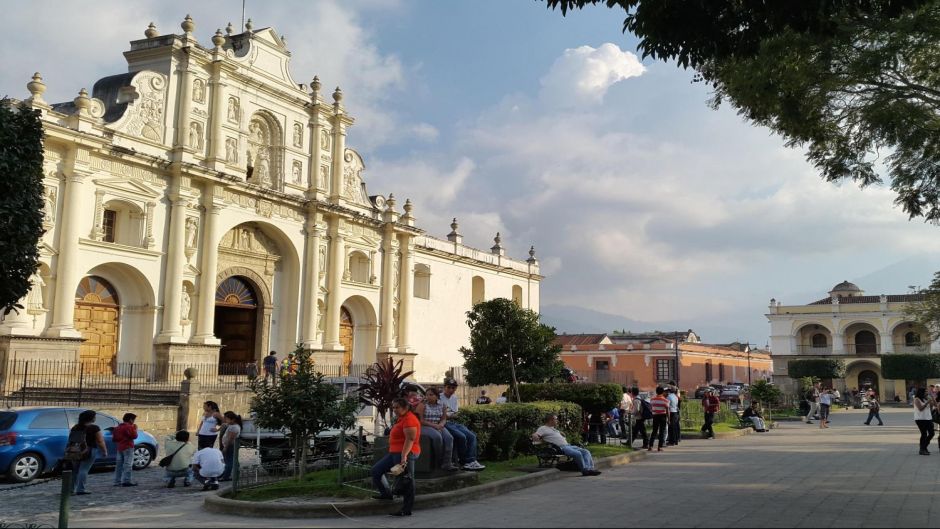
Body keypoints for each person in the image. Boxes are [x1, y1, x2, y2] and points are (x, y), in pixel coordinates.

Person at [371, 397, 421, 517]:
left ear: (405, 407)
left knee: (407, 481)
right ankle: (387, 494)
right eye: (393, 407)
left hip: (406, 453)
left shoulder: (409, 419)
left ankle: (406, 509)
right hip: (394, 452)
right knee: (376, 470)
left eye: (397, 407)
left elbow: (410, 439)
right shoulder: (401, 418)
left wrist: (404, 457)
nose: (394, 410)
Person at [533, 414, 601, 477]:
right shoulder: (543, 428)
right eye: (556, 419)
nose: (557, 421)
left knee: (586, 451)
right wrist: (535, 437)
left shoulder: (553, 428)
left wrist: (560, 434)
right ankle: (585, 470)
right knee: (578, 454)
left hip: (568, 445)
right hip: (561, 448)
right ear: (551, 420)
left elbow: (555, 436)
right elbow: (536, 435)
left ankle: (590, 469)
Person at [440, 379, 486, 471]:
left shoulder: (454, 398)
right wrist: (449, 415)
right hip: (444, 423)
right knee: (461, 437)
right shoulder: (439, 397)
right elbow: (440, 414)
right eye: (448, 387)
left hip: (453, 422)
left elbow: (455, 413)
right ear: (444, 387)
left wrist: (450, 415)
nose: (451, 390)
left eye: (453, 388)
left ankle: (470, 461)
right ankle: (464, 461)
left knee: (472, 436)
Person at [415, 387, 459, 471]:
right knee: (437, 437)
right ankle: (438, 460)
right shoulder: (422, 405)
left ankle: (447, 463)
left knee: (449, 438)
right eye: (426, 395)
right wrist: (435, 426)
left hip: (438, 425)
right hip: (424, 426)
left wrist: (441, 425)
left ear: (437, 396)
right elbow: (420, 420)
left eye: (431, 395)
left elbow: (444, 418)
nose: (428, 397)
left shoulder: (442, 405)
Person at [70, 410, 108, 495]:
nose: (95, 418)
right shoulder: (94, 428)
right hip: (89, 450)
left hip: (75, 450)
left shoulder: (75, 427)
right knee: (84, 470)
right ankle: (81, 489)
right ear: (91, 418)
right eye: (94, 417)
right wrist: (104, 451)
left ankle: (71, 489)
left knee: (75, 471)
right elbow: (100, 441)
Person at [112, 412, 138, 487]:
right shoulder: (129, 427)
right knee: (128, 464)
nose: (133, 421)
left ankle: (117, 481)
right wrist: (135, 429)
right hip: (128, 447)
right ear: (130, 420)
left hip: (120, 447)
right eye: (133, 420)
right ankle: (126, 480)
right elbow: (134, 436)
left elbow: (114, 439)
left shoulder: (117, 427)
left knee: (119, 465)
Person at [219, 411, 242, 481]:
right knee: (231, 460)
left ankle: (226, 476)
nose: (226, 420)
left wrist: (225, 447)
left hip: (230, 446)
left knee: (229, 462)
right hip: (229, 445)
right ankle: (232, 475)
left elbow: (230, 438)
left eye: (227, 419)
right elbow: (225, 425)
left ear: (233, 420)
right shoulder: (232, 425)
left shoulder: (234, 427)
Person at [913, 387, 936, 455]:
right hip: (920, 419)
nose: (927, 392)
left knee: (932, 433)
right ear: (921, 392)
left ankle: (923, 447)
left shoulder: (926, 398)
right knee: (924, 434)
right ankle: (922, 449)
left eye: (927, 391)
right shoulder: (916, 399)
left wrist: (932, 398)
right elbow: (920, 409)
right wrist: (927, 403)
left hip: (928, 418)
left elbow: (935, 405)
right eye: (925, 391)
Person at [648, 386, 670, 452]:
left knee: (654, 431)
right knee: (662, 432)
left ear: (656, 392)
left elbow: (650, 408)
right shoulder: (665, 400)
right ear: (663, 392)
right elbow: (667, 410)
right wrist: (669, 419)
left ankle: (650, 446)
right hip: (663, 416)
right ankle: (659, 447)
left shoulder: (652, 400)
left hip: (655, 416)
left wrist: (654, 412)